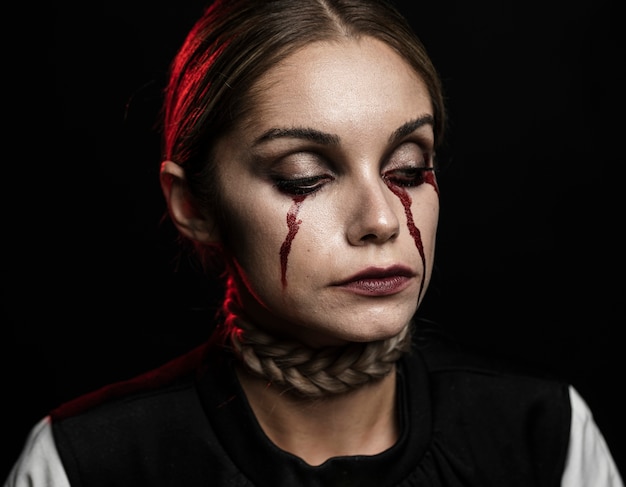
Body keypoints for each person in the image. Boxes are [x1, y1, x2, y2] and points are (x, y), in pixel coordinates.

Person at [5, 0, 623, 485]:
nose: (380, 220)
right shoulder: (84, 463)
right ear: (193, 205)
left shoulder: (545, 434)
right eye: (304, 176)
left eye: (408, 169)